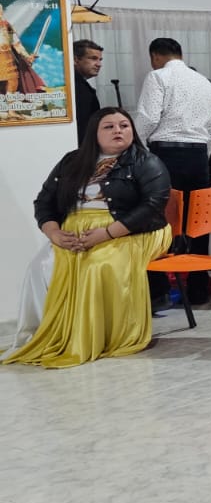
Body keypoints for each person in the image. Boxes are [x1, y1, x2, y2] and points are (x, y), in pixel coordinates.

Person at [8, 108, 172, 368]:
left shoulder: (146, 162)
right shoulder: (72, 161)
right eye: (109, 126)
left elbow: (152, 207)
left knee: (98, 265)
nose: (118, 130)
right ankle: (50, 333)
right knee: (41, 268)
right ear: (94, 133)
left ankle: (100, 336)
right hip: (75, 230)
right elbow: (44, 202)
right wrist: (54, 233)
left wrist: (105, 234)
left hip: (134, 229)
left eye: (124, 125)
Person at [134, 37, 211, 306]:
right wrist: (200, 155)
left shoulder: (158, 77)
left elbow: (148, 118)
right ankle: (197, 290)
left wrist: (138, 150)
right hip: (198, 156)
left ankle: (158, 291)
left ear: (155, 56)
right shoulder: (205, 83)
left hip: (165, 154)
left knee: (158, 220)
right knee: (198, 224)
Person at [0, 2, 48, 95]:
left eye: (0, 12)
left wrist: (27, 56)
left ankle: (10, 103)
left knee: (12, 83)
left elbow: (16, 43)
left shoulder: (6, 26)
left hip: (8, 61)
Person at [73, 39, 104, 141]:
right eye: (93, 58)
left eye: (100, 59)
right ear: (75, 60)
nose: (99, 64)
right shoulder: (76, 88)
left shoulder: (81, 85)